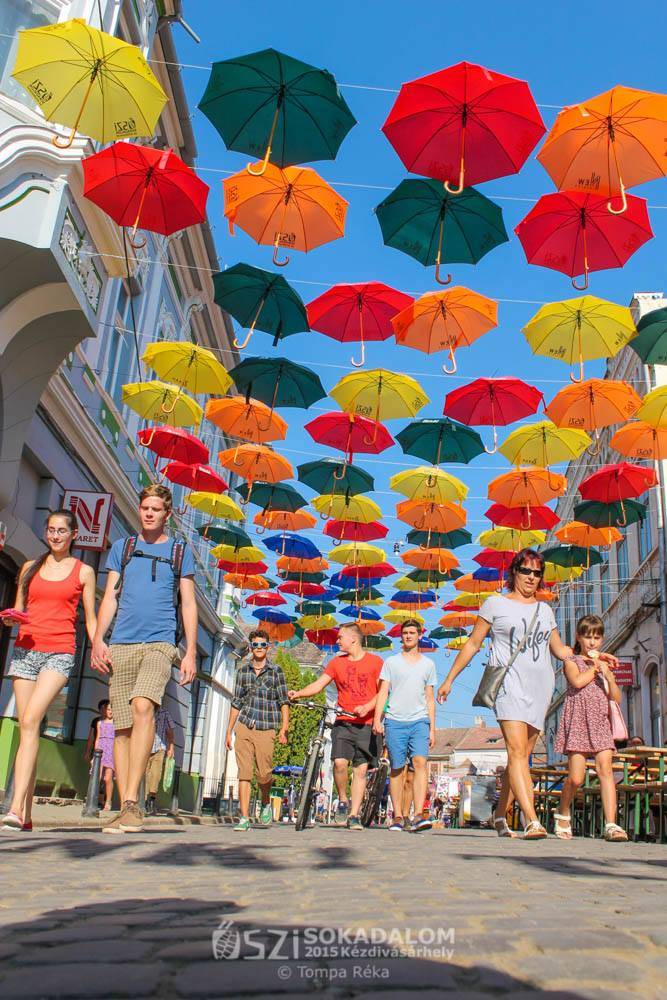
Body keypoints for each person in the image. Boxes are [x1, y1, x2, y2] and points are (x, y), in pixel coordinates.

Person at [438, 548, 620, 839]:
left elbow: (561, 650)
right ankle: (532, 820)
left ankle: (500, 815)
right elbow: (473, 643)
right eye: (526, 571)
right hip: (508, 685)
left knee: (518, 757)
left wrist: (595, 658)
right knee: (517, 752)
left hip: (540, 689)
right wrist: (449, 679)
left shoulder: (544, 610)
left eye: (537, 573)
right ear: (514, 572)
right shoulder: (494, 604)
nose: (532, 578)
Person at [91, 485, 197, 835]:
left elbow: (188, 604)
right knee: (121, 727)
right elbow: (109, 598)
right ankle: (127, 803)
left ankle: (134, 804)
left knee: (142, 706)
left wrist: (191, 652)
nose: (149, 513)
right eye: (144, 507)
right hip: (121, 643)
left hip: (160, 643)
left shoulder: (180, 552)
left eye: (156, 509)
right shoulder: (124, 548)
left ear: (168, 514)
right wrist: (97, 639)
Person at [1, 509, 97, 832]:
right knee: (28, 728)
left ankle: (13, 807)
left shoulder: (83, 572)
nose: (56, 535)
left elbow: (90, 618)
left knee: (30, 720)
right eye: (51, 529)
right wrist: (12, 618)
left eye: (62, 531)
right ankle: (26, 815)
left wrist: (98, 645)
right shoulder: (30, 568)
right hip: (26, 649)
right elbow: (21, 609)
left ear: (73, 535)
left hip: (59, 652)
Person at [288, 621, 383, 830]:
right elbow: (319, 683)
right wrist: (299, 693)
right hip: (343, 720)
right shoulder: (336, 663)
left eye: (340, 637)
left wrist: (368, 708)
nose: (337, 640)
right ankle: (342, 799)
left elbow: (383, 694)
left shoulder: (376, 662)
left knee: (360, 770)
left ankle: (354, 815)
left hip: (366, 724)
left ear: (353, 639)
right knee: (339, 763)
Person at [553, 615, 628, 842]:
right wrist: (595, 667)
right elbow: (576, 682)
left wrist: (609, 676)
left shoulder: (603, 666)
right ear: (579, 637)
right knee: (576, 778)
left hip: (600, 721)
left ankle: (611, 824)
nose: (593, 642)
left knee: (605, 770)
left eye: (597, 637)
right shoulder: (571, 661)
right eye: (588, 637)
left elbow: (615, 698)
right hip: (578, 721)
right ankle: (563, 810)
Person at [373, 620, 436, 833]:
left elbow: (429, 698)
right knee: (398, 767)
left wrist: (432, 728)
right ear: (401, 637)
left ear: (419, 635)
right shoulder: (391, 662)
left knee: (420, 762)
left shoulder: (428, 664)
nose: (408, 636)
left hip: (419, 720)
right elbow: (383, 692)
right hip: (395, 720)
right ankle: (398, 815)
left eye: (412, 632)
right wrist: (377, 719)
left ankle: (418, 814)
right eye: (405, 633)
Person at [226, 629, 289, 831]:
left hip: (267, 727)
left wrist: (284, 729)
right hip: (245, 725)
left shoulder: (276, 671)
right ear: (251, 647)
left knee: (264, 773)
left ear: (268, 647)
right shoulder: (242, 672)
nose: (259, 648)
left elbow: (284, 701)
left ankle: (264, 801)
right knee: (244, 772)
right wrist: (229, 730)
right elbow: (236, 702)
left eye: (263, 645)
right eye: (255, 645)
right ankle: (244, 817)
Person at [145, 705, 175, 816]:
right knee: (145, 775)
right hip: (144, 748)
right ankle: (143, 801)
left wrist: (171, 747)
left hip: (159, 748)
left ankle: (151, 801)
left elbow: (170, 731)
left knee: (156, 775)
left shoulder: (165, 713)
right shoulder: (146, 711)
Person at [95, 700, 116, 811]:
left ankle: (108, 801)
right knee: (96, 777)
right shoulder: (99, 723)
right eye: (108, 709)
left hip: (111, 751)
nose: (110, 712)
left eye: (112, 709)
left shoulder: (116, 724)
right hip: (101, 751)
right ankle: (93, 799)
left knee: (108, 778)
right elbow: (97, 738)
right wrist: (95, 755)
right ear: (105, 710)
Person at [84, 699, 109, 764]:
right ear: (99, 710)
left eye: (105, 708)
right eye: (101, 708)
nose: (103, 711)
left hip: (109, 751)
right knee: (95, 769)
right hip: (97, 750)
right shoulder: (96, 721)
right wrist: (87, 752)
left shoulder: (113, 722)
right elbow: (91, 737)